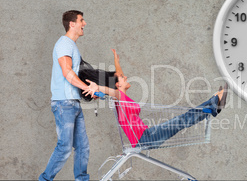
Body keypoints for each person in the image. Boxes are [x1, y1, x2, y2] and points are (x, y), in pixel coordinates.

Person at [82, 49, 228, 149]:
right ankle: (214, 101)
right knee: (183, 119)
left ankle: (214, 101)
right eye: (122, 77)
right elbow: (110, 89)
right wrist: (97, 87)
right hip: (145, 139)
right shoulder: (119, 96)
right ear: (118, 84)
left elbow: (118, 74)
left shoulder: (122, 96)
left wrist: (116, 60)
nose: (125, 76)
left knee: (183, 118)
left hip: (147, 135)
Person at [35, 10, 98, 181]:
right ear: (72, 24)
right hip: (64, 104)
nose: (84, 24)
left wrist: (87, 90)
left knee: (83, 147)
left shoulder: (71, 46)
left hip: (73, 103)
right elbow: (67, 72)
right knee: (64, 146)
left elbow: (75, 75)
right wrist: (88, 88)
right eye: (81, 20)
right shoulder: (64, 44)